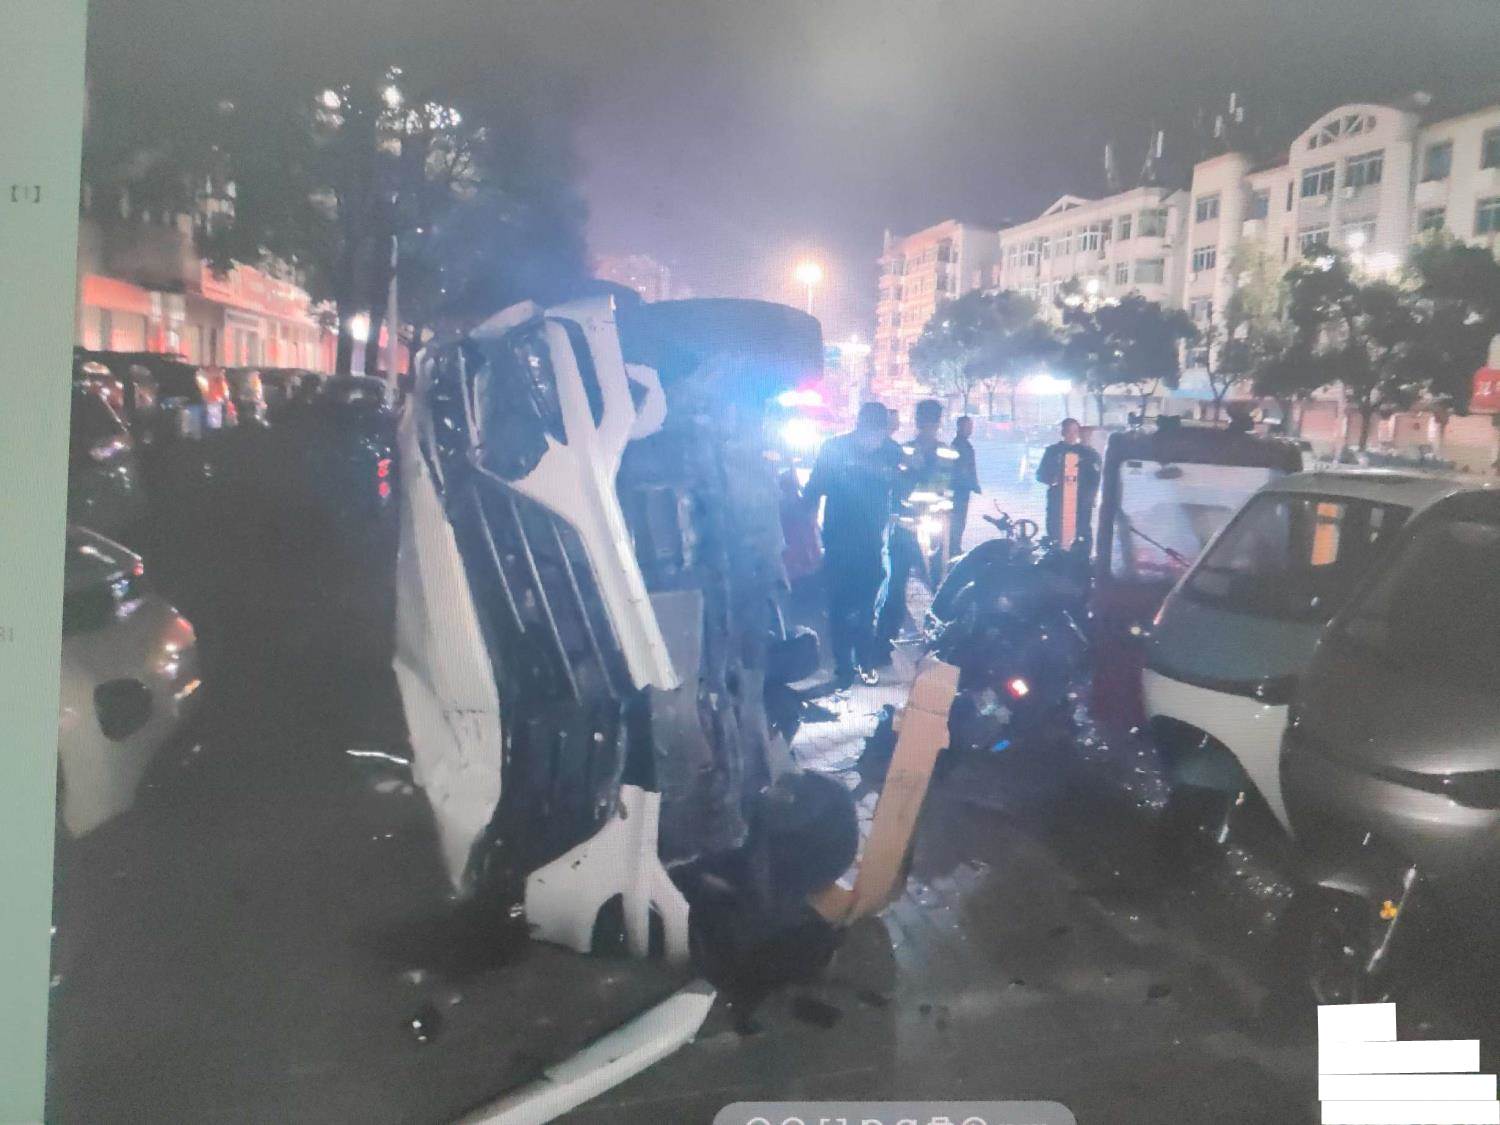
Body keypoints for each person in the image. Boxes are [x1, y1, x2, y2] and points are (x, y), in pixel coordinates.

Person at [803, 401, 899, 688]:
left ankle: (864, 661)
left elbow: (902, 488)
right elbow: (813, 491)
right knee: (840, 605)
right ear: (859, 425)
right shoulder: (834, 449)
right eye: (870, 430)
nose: (873, 438)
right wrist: (809, 532)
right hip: (839, 541)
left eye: (878, 432)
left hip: (872, 543)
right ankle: (844, 666)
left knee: (867, 606)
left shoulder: (892, 452)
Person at [874, 398, 949, 660]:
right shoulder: (904, 451)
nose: (927, 425)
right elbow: (895, 486)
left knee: (939, 587)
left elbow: (945, 487)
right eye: (924, 419)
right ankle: (883, 645)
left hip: (933, 529)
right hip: (905, 529)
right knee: (895, 587)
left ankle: (940, 648)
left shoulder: (946, 453)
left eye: (931, 420)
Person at [1036, 417, 1102, 553]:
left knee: (1082, 532)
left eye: (1075, 431)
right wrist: (1052, 479)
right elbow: (1040, 474)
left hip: (1081, 502)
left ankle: (1082, 558)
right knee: (1055, 532)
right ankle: (1055, 557)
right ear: (1062, 432)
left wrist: (1092, 496)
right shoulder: (1052, 452)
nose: (1071, 435)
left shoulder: (1088, 454)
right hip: (1057, 501)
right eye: (1068, 431)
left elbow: (1096, 478)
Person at [948, 415, 980, 557]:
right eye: (968, 426)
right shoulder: (959, 446)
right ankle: (953, 547)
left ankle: (954, 545)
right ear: (960, 427)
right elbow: (962, 469)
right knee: (957, 519)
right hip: (959, 489)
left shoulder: (964, 445)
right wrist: (971, 483)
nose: (970, 429)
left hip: (962, 488)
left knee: (959, 520)